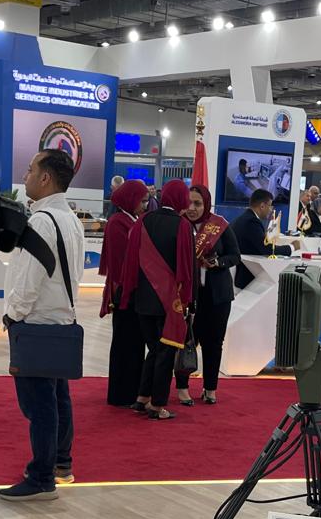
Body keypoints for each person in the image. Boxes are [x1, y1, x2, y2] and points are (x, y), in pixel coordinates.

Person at [0, 149, 85, 501]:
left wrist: (12, 315)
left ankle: (41, 477)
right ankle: (61, 464)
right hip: (60, 321)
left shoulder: (41, 222)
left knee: (40, 406)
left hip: (35, 323)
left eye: (31, 169)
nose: (26, 175)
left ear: (46, 177)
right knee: (58, 398)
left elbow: (28, 279)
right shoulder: (72, 219)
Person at [119, 179, 195, 420]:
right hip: (168, 301)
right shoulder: (182, 225)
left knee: (153, 349)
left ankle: (142, 397)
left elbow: (130, 262)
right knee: (166, 353)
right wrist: (187, 299)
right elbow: (186, 267)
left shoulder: (142, 221)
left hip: (143, 299)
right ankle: (157, 405)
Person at [176, 185, 238, 406]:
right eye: (189, 203)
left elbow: (235, 255)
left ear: (206, 204)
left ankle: (210, 388)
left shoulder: (219, 225)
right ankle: (182, 388)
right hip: (188, 296)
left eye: (198, 203)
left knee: (214, 343)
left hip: (217, 296)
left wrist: (218, 262)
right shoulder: (179, 225)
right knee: (185, 342)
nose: (192, 208)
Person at [100, 178, 149, 406]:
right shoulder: (118, 223)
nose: (145, 205)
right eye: (142, 200)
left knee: (134, 343)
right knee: (124, 343)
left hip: (134, 291)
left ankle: (132, 389)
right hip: (125, 292)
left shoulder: (130, 220)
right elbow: (122, 261)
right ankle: (122, 393)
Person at [230, 189, 299, 289]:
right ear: (262, 206)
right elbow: (267, 249)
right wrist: (291, 247)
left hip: (243, 275)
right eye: (270, 206)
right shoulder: (251, 222)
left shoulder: (243, 218)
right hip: (250, 279)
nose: (271, 210)